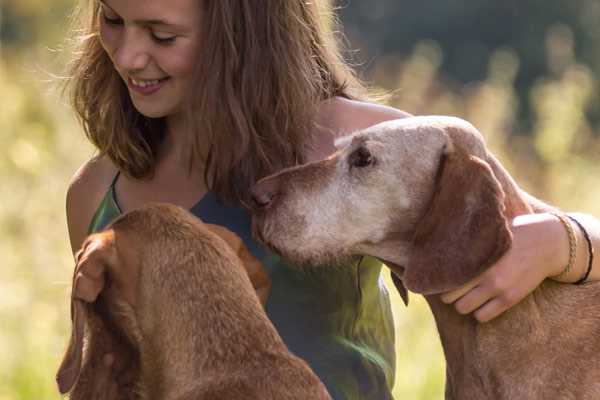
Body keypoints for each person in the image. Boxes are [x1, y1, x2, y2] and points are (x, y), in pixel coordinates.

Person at [64, 0, 600, 398]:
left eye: (162, 36)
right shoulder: (97, 195)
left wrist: (563, 242)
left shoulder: (356, 144)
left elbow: (523, 220)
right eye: (112, 20)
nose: (130, 56)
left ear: (239, 36)